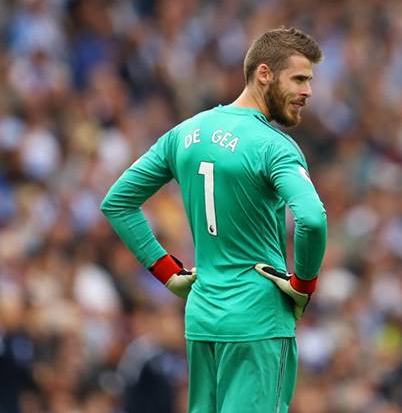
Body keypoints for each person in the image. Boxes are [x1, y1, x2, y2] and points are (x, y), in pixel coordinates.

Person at [100, 27, 328, 413]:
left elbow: (117, 202)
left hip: (204, 316)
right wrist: (303, 284)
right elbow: (312, 219)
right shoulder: (274, 147)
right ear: (264, 74)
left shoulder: (185, 133)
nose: (308, 91)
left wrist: (168, 271)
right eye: (300, 79)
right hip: (258, 321)